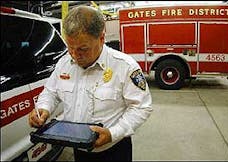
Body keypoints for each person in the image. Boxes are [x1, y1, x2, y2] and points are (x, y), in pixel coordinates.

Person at [28, 5, 152, 161]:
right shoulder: (64, 64)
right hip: (78, 148)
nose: (74, 55)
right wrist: (43, 109)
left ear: (101, 38)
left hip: (114, 149)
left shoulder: (125, 66)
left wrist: (113, 133)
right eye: (70, 48)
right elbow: (51, 92)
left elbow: (141, 107)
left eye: (83, 49)